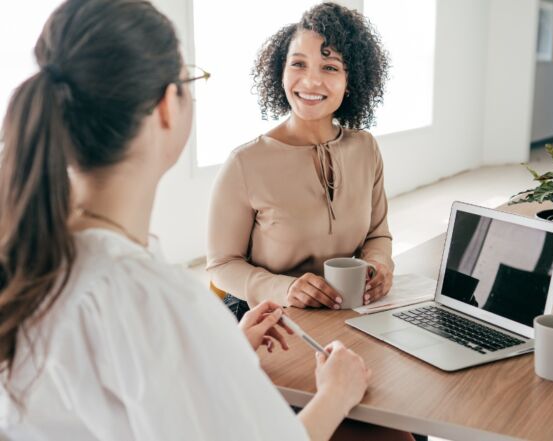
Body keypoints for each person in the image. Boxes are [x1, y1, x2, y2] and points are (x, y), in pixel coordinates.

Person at [0, 1, 372, 439]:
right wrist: (336, 392)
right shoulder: (155, 300)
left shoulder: (27, 257)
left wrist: (221, 349)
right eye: (188, 80)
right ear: (165, 107)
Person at [207, 3, 394, 315]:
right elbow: (221, 265)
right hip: (266, 317)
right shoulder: (245, 163)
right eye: (298, 64)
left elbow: (378, 234)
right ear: (281, 71)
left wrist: (379, 264)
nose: (310, 81)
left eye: (330, 67)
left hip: (345, 311)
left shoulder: (366, 148)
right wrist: (286, 288)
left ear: (352, 80)